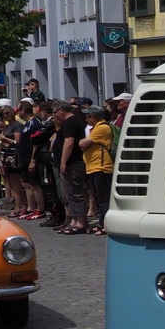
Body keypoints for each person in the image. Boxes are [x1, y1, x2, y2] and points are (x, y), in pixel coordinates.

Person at [53, 99, 89, 233]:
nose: (54, 116)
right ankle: (74, 220)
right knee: (68, 193)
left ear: (61, 111)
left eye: (55, 112)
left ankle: (81, 222)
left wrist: (63, 162)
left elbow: (69, 142)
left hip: (73, 163)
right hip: (69, 163)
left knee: (75, 192)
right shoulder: (67, 123)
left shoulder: (71, 122)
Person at [78, 103, 115, 233]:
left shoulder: (101, 128)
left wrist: (83, 141)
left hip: (102, 167)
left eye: (88, 117)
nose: (86, 120)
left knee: (103, 199)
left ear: (94, 117)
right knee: (99, 198)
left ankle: (105, 225)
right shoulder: (96, 128)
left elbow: (83, 143)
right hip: (94, 166)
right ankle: (101, 223)